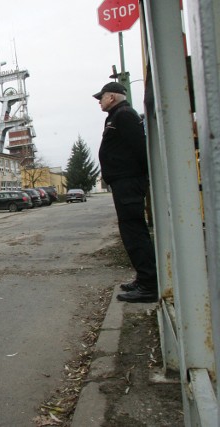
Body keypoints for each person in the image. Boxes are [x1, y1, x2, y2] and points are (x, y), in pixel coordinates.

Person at [93, 82, 158, 303]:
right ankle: (144, 278)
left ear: (111, 96)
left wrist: (138, 177)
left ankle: (149, 285)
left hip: (129, 182)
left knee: (134, 233)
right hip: (124, 182)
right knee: (131, 232)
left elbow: (141, 148)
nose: (99, 101)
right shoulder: (116, 115)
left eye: (101, 97)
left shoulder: (124, 115)